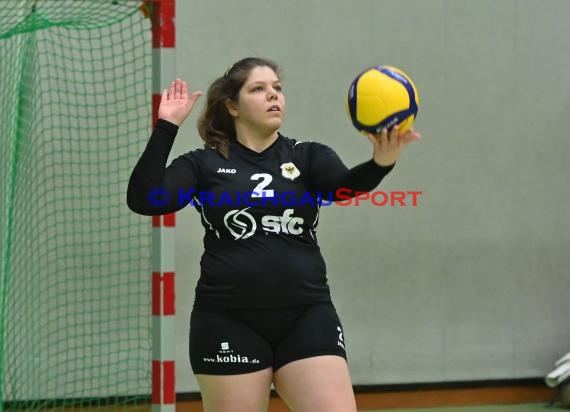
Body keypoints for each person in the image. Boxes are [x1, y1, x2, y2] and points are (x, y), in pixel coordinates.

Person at [127, 57, 420, 412]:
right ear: (232, 106)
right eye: (259, 89)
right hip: (227, 320)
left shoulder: (308, 156)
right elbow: (145, 199)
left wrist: (380, 164)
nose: (273, 96)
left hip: (306, 316)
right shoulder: (202, 164)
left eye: (277, 88)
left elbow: (343, 187)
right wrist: (166, 127)